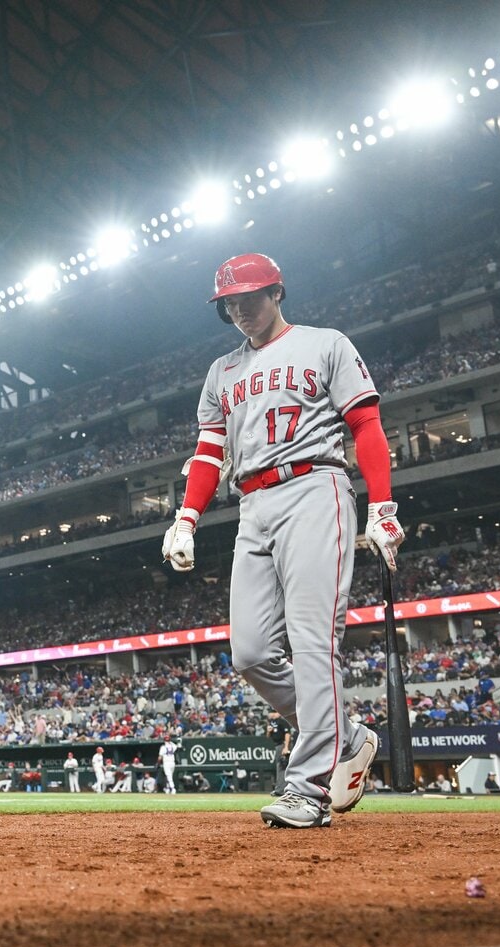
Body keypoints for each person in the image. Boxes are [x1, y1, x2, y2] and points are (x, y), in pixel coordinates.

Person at [162, 252, 405, 829]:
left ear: (277, 293)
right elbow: (208, 453)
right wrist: (186, 516)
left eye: (250, 296)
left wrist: (384, 504)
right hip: (252, 504)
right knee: (249, 652)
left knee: (314, 641)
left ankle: (309, 788)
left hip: (315, 488)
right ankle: (345, 735)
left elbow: (366, 425)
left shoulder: (326, 343)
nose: (240, 308)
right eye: (230, 302)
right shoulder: (222, 371)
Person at [267, 710, 293, 796]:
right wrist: (268, 731)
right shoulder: (272, 722)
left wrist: (286, 747)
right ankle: (280, 789)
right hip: (277, 745)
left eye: (270, 712)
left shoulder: (282, 721)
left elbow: (287, 734)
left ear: (275, 712)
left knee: (282, 767)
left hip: (283, 745)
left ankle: (281, 790)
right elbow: (268, 737)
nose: (269, 714)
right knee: (280, 767)